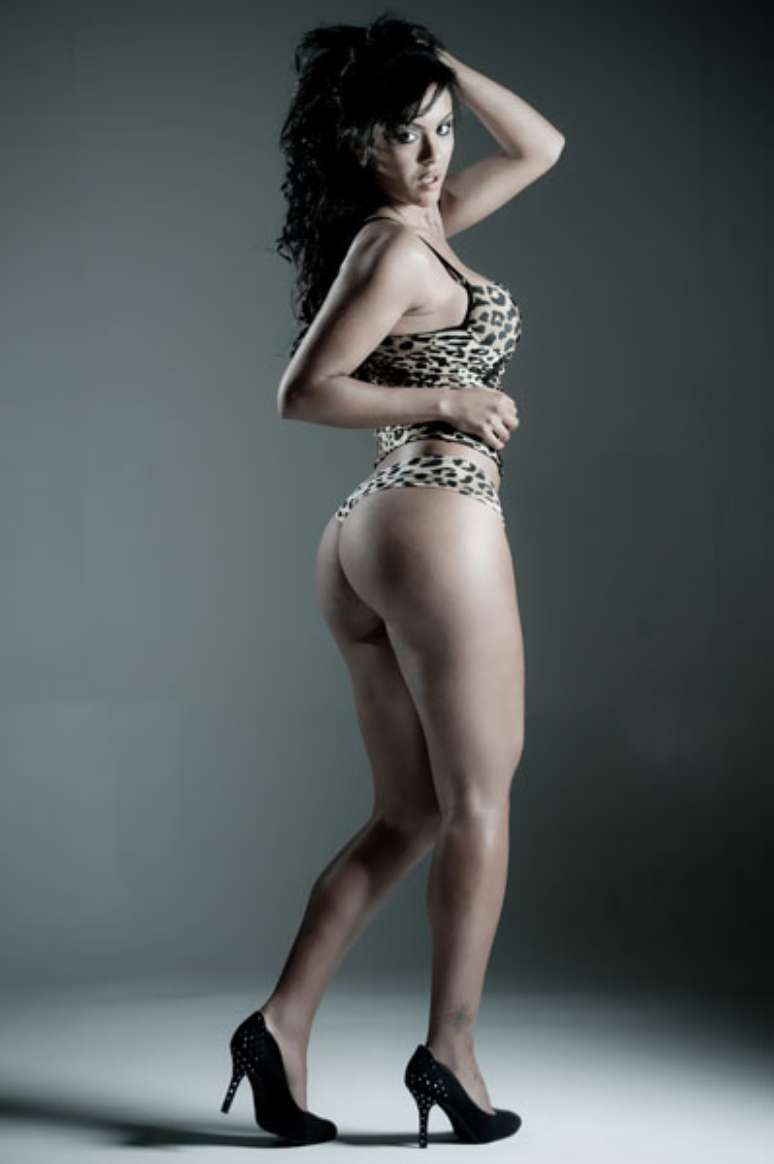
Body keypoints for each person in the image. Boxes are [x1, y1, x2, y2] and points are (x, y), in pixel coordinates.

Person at [220, 13, 565, 1147]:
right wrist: (449, 399)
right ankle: (450, 1054)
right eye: (405, 133)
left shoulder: (426, 227)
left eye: (442, 130)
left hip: (373, 534)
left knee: (410, 811)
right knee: (479, 800)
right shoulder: (397, 249)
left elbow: (542, 146)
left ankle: (279, 1025)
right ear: (358, 142)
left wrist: (432, 65)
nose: (432, 153)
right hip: (435, 515)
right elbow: (302, 391)